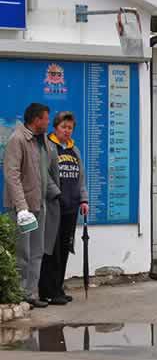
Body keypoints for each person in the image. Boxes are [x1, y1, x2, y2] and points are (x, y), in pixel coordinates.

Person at [3, 103, 61, 308]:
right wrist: (21, 207)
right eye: (46, 118)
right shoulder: (17, 139)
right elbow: (12, 176)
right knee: (22, 253)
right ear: (36, 120)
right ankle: (18, 294)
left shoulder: (42, 140)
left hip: (39, 205)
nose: (48, 122)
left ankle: (30, 294)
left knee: (37, 251)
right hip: (23, 209)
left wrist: (54, 194)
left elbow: (45, 172)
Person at [38, 112, 89, 305]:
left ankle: (58, 288)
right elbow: (44, 175)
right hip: (54, 207)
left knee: (65, 248)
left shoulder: (74, 150)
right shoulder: (48, 147)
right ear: (55, 127)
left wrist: (83, 200)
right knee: (51, 249)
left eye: (70, 128)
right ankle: (47, 291)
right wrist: (56, 194)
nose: (67, 131)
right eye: (63, 127)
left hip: (71, 208)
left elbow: (80, 179)